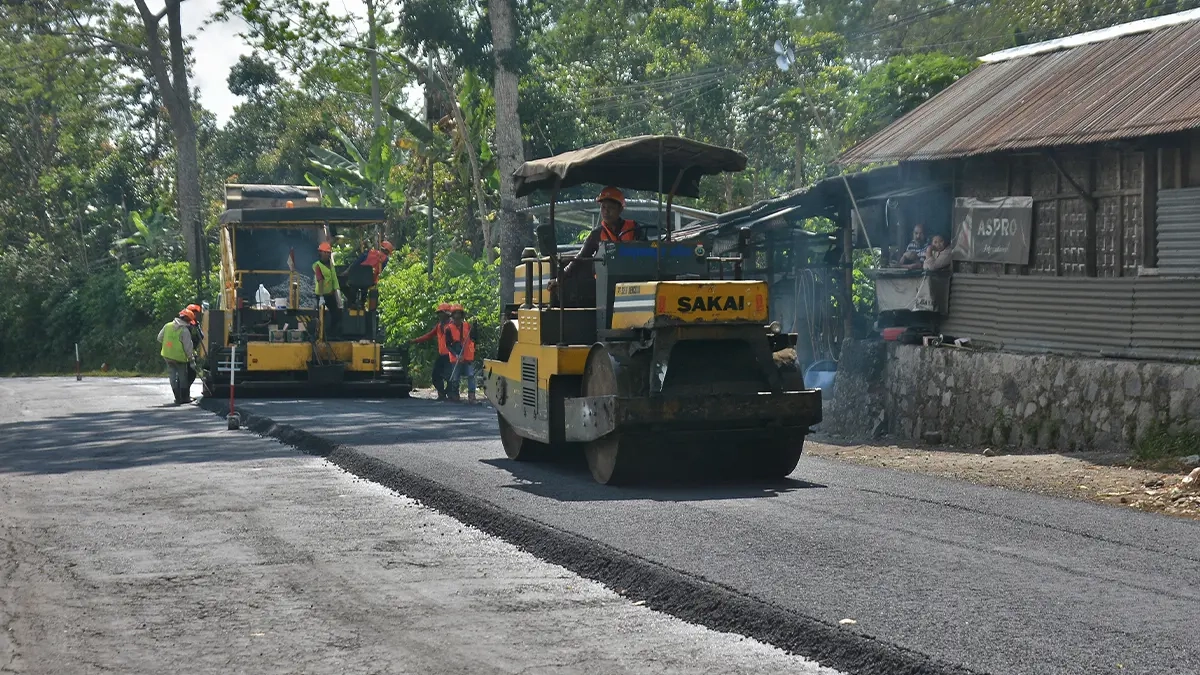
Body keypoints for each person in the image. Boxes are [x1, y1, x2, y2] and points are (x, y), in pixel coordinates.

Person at [556, 187, 645, 282]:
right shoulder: (596, 235)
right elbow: (580, 258)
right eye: (603, 207)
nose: (606, 211)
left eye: (611, 208)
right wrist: (559, 278)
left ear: (620, 209)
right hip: (606, 283)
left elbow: (647, 253)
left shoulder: (634, 227)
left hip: (633, 279)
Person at [411, 303, 453, 400]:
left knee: (450, 376)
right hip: (442, 355)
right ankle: (442, 393)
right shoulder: (439, 326)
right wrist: (415, 341)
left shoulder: (453, 325)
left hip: (451, 355)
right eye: (439, 313)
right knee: (435, 375)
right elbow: (428, 335)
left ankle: (451, 394)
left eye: (441, 313)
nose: (439, 315)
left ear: (447, 313)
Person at [158, 308, 197, 405]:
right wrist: (191, 360)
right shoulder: (184, 330)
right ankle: (184, 398)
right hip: (180, 358)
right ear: (188, 320)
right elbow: (188, 347)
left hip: (167, 356)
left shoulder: (167, 326)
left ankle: (177, 398)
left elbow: (159, 338)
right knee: (182, 377)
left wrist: (169, 344)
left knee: (172, 377)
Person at [444, 304, 476, 403]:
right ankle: (455, 395)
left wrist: (475, 326)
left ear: (461, 316)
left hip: (467, 356)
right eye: (455, 314)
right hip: (455, 356)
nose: (457, 317)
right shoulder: (448, 329)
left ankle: (471, 396)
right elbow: (448, 345)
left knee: (471, 375)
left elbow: (474, 337)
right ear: (452, 316)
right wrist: (456, 355)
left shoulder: (467, 326)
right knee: (455, 378)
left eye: (459, 314)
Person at [351, 240, 394, 309]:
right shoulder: (385, 259)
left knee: (352, 285)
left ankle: (352, 302)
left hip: (356, 278)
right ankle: (362, 303)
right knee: (366, 287)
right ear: (388, 251)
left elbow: (355, 264)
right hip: (370, 280)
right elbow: (382, 271)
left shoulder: (368, 252)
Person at [313, 241, 342, 337]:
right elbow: (320, 281)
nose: (327, 254)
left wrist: (337, 293)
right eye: (326, 252)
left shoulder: (330, 263)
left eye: (328, 253)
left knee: (336, 314)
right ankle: (319, 335)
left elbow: (334, 278)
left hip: (330, 294)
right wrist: (321, 297)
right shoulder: (318, 266)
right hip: (321, 294)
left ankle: (331, 334)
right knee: (321, 316)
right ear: (321, 253)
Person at [184, 303, 204, 391]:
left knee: (191, 374)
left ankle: (185, 392)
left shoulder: (194, 324)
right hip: (186, 352)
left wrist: (198, 326)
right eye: (194, 313)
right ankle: (184, 393)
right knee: (189, 374)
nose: (195, 315)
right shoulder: (186, 325)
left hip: (191, 351)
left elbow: (201, 336)